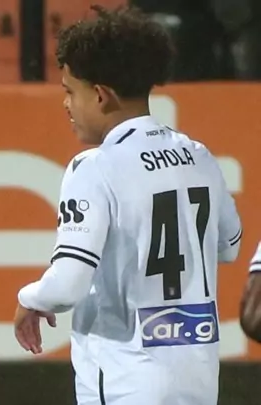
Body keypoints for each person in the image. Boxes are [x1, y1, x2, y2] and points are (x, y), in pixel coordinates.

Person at [13, 6, 241, 405]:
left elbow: (68, 284)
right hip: (198, 379)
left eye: (70, 91)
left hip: (126, 379)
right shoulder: (199, 155)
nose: (66, 104)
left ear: (101, 95)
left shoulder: (94, 167)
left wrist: (30, 298)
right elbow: (230, 246)